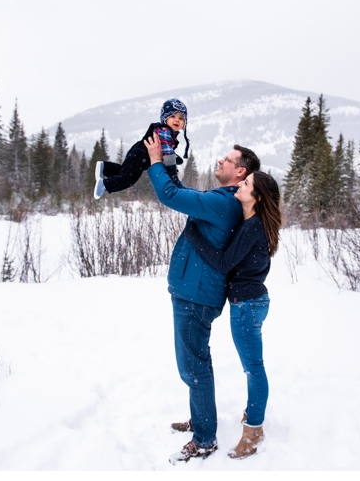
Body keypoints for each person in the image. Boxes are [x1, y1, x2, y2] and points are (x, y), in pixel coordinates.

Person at [143, 132, 261, 464]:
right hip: (193, 292)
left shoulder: (224, 203)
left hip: (196, 296)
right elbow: (181, 190)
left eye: (228, 158)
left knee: (194, 366)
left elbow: (170, 195)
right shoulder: (223, 199)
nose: (221, 160)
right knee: (192, 363)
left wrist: (154, 161)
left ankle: (205, 438)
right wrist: (168, 160)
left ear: (240, 172)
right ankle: (201, 418)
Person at [183, 171, 281, 460]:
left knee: (253, 368)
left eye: (247, 184)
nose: (240, 184)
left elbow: (224, 262)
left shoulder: (253, 226)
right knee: (253, 366)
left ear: (257, 197)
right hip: (251, 302)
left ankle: (254, 431)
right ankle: (252, 414)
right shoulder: (253, 223)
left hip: (247, 306)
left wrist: (194, 235)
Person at [93, 98, 190, 199]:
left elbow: (166, 149)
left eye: (181, 118)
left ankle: (104, 167)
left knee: (124, 171)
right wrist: (172, 171)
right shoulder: (165, 131)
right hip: (141, 155)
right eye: (173, 116)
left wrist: (173, 157)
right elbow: (167, 151)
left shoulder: (164, 131)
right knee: (128, 179)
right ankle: (105, 185)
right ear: (164, 118)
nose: (177, 120)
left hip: (138, 151)